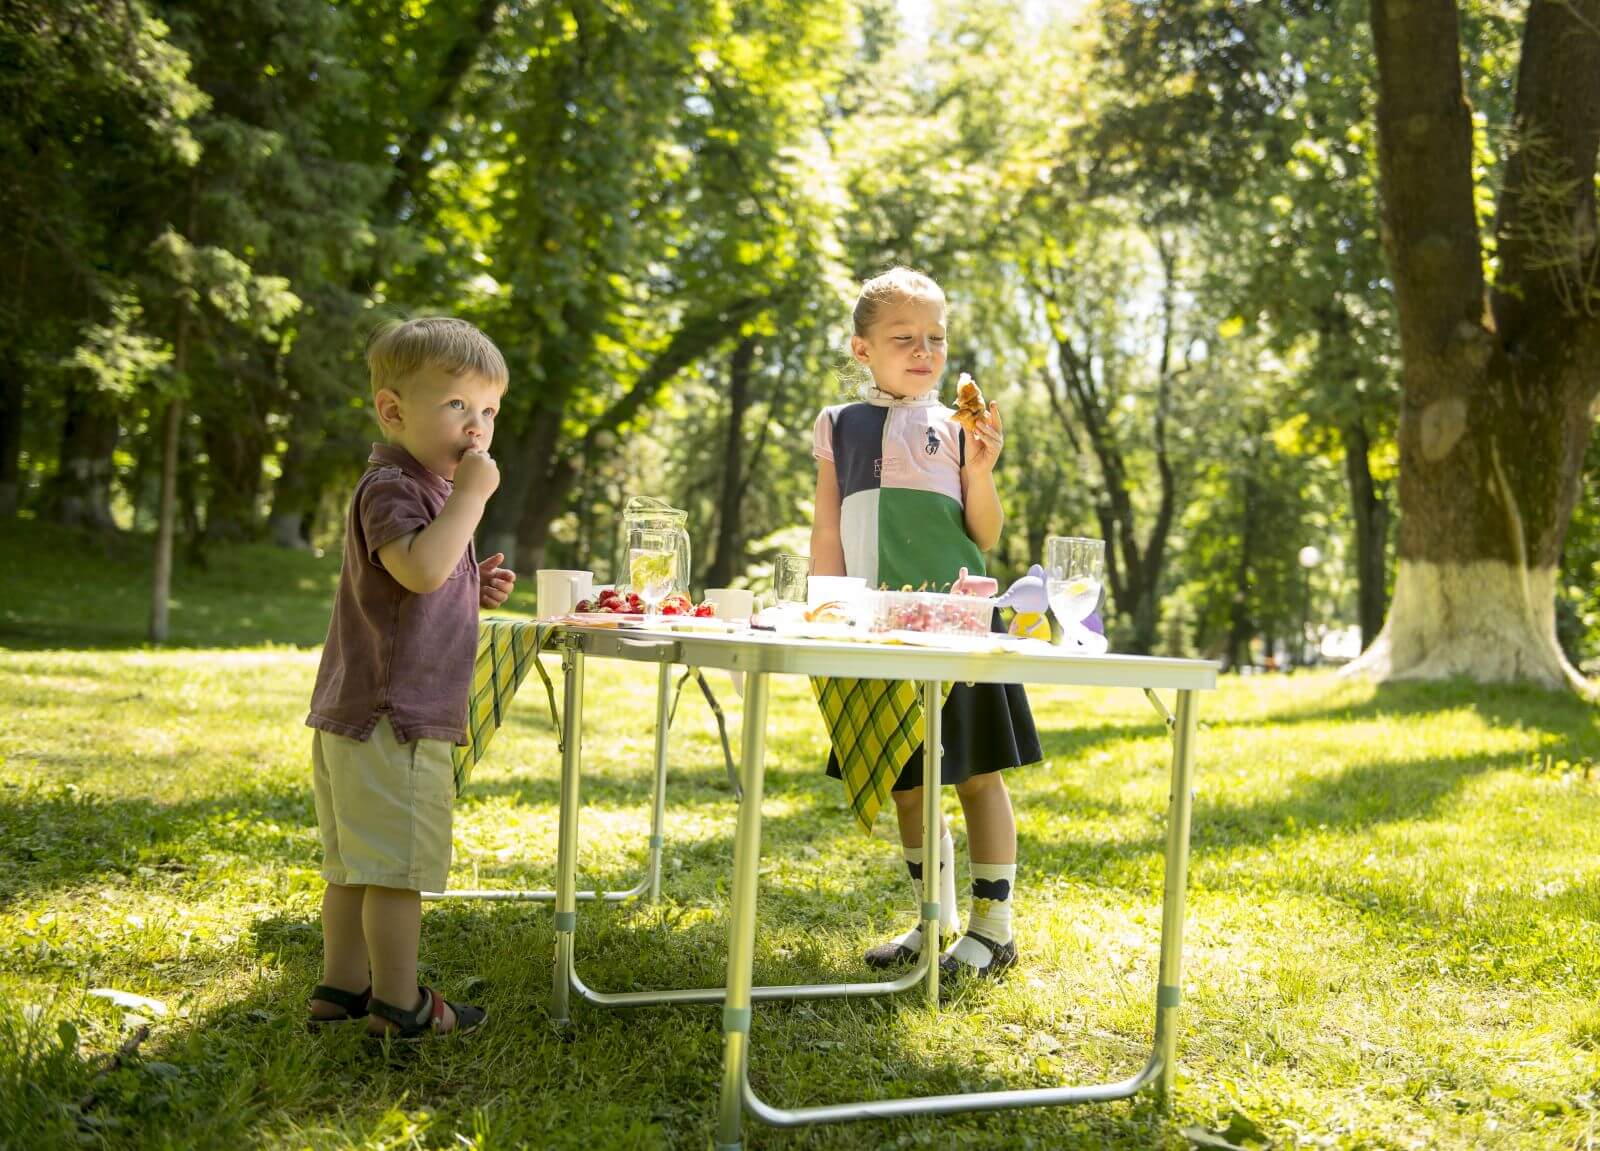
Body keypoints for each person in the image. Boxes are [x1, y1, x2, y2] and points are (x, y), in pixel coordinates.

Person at [810, 267, 1041, 979]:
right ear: (862, 349)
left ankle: (993, 928)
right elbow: (828, 524)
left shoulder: (959, 426)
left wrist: (983, 468)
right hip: (875, 625)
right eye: (903, 338)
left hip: (958, 618)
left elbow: (987, 531)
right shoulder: (836, 424)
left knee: (975, 772)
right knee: (906, 778)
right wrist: (823, 607)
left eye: (935, 337)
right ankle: (931, 919)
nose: (924, 350)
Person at [303, 316, 517, 1038]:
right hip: (394, 716)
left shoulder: (419, 487)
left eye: (488, 410)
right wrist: (473, 500)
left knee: (355, 866)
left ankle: (343, 987)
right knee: (394, 870)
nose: (477, 428)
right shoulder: (394, 486)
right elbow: (420, 567)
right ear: (393, 410)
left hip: (356, 710)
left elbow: (426, 575)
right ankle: (401, 1004)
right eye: (458, 406)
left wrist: (471, 582)